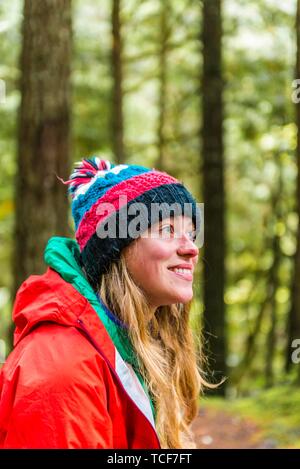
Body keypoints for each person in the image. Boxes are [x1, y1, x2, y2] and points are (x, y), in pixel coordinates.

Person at [0, 158, 208, 449]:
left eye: (191, 233)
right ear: (115, 250)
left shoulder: (131, 344)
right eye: (167, 230)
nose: (190, 248)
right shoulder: (63, 367)